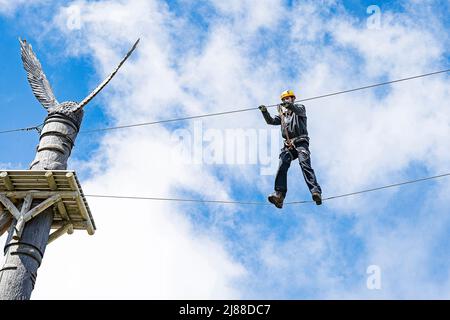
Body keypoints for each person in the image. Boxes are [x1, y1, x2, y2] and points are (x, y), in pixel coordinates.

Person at [259, 90, 322, 209]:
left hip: (301, 142)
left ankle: (316, 192)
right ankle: (279, 195)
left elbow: (296, 109)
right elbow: (271, 121)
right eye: (284, 99)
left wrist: (289, 106)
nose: (286, 101)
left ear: (293, 99)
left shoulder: (300, 108)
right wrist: (264, 112)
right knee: (282, 163)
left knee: (305, 165)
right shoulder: (283, 116)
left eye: (288, 99)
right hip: (288, 145)